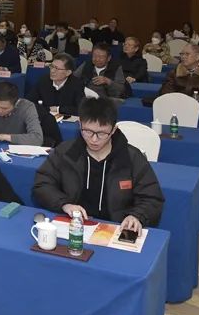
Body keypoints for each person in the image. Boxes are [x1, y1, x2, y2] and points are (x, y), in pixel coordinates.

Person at [32, 97, 165, 234]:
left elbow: (152, 198)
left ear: (113, 129)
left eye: (101, 133)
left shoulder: (131, 157)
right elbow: (42, 184)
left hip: (117, 227)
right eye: (88, 131)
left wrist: (136, 216)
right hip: (75, 224)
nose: (94, 139)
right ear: (80, 125)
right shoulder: (65, 152)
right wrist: (64, 204)